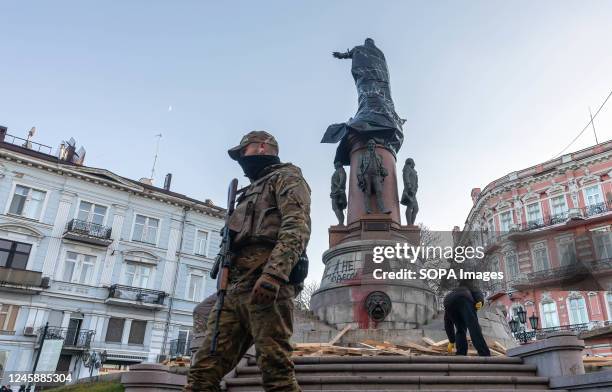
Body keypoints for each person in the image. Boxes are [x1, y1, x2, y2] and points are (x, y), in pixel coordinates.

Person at [185, 131, 311, 392]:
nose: (241, 159)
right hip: (233, 291)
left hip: (265, 286)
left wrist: (274, 275)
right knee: (202, 374)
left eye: (244, 151)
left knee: (276, 373)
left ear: (263, 147)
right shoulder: (248, 192)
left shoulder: (286, 177)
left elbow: (295, 228)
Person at [443, 278, 491, 356]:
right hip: (463, 298)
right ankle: (484, 354)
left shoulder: (454, 291)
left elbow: (447, 323)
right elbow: (476, 291)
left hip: (448, 301)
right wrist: (480, 301)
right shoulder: (468, 286)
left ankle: (460, 354)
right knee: (473, 327)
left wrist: (451, 340)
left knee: (460, 329)